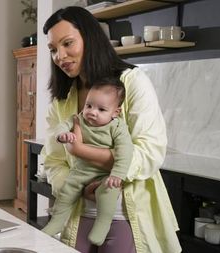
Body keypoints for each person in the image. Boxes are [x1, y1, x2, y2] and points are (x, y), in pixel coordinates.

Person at [40, 6, 181, 253]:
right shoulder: (62, 102)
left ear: (90, 39)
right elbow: (52, 161)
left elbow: (150, 152)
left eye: (67, 43)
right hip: (78, 213)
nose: (59, 56)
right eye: (53, 49)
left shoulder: (131, 82)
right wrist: (79, 188)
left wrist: (83, 152)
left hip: (128, 215)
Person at [42, 77, 133, 246]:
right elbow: (62, 125)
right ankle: (57, 222)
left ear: (115, 112)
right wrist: (63, 135)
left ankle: (102, 224)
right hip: (81, 171)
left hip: (105, 174)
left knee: (108, 192)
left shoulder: (117, 127)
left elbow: (125, 151)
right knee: (66, 193)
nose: (92, 112)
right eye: (89, 105)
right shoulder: (79, 118)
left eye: (101, 109)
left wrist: (117, 174)